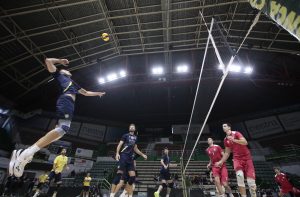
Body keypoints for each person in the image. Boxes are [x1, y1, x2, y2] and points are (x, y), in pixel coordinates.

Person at [9, 58, 105, 178]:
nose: (69, 71)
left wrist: (97, 93)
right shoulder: (59, 75)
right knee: (63, 128)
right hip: (65, 101)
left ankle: (27, 153)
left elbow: (85, 92)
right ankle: (27, 152)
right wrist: (60, 61)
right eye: (66, 70)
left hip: (69, 105)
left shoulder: (73, 83)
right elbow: (48, 61)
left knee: (59, 133)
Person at [216, 123, 257, 197]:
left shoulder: (236, 133)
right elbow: (227, 153)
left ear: (229, 127)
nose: (223, 127)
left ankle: (253, 194)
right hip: (237, 159)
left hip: (247, 158)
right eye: (222, 127)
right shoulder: (225, 140)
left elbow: (245, 142)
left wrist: (234, 140)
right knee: (240, 176)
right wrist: (221, 161)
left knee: (251, 184)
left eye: (225, 126)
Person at [110, 124, 147, 197]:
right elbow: (120, 145)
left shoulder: (136, 138)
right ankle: (112, 194)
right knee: (119, 174)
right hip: (124, 156)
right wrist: (117, 153)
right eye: (130, 127)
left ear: (135, 129)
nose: (132, 127)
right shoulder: (125, 135)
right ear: (129, 128)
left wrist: (143, 155)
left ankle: (124, 192)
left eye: (133, 127)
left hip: (130, 159)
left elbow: (135, 149)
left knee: (133, 177)